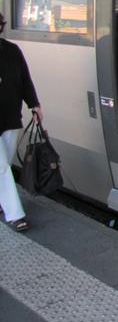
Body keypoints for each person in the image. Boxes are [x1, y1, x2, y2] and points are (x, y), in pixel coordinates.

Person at [0, 12, 43, 232]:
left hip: (10, 117)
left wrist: (34, 104)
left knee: (4, 164)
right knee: (2, 168)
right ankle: (15, 215)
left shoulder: (12, 50)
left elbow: (25, 79)